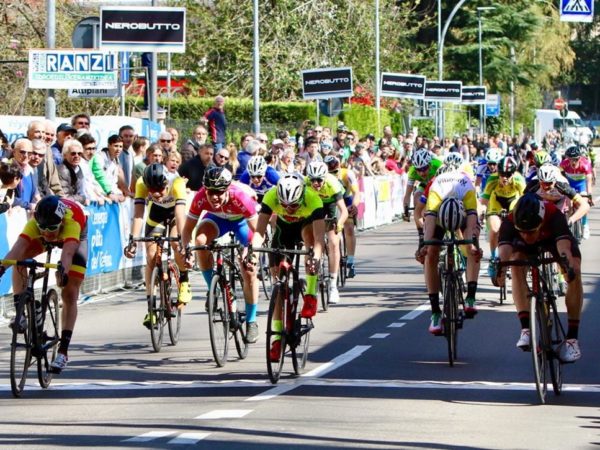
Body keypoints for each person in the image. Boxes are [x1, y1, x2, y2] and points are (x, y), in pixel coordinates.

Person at [0, 195, 88, 372]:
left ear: (60, 222)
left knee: (70, 293)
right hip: (48, 233)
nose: (47, 232)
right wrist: (2, 267)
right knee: (20, 260)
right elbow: (17, 248)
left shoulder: (71, 222)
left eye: (52, 228)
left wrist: (63, 272)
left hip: (74, 239)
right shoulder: (35, 223)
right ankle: (21, 312)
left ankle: (63, 352)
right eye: (43, 228)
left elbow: (68, 254)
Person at [494, 193, 583, 362]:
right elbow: (504, 252)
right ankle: (526, 329)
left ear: (541, 222)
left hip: (552, 239)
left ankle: (572, 340)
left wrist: (568, 265)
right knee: (515, 263)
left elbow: (564, 247)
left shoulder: (554, 215)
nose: (527, 236)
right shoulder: (510, 221)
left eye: (531, 232)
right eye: (523, 232)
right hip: (523, 247)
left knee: (575, 270)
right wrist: (500, 270)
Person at [248, 173, 325, 361]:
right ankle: (276, 338)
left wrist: (315, 258)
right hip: (284, 231)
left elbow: (319, 240)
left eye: (294, 205)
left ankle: (310, 295)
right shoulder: (271, 196)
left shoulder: (313, 199)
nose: (289, 209)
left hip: (305, 226)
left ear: (301, 196)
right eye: (284, 205)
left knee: (310, 244)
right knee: (278, 287)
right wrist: (253, 254)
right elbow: (259, 232)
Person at [181, 166, 261, 343]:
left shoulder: (240, 196)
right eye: (211, 192)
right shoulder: (201, 197)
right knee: (200, 242)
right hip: (216, 219)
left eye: (219, 192)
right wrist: (186, 250)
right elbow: (187, 230)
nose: (214, 197)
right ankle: (214, 289)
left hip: (241, 222)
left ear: (227, 189)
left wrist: (250, 251)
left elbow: (258, 232)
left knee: (249, 270)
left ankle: (251, 320)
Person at [124, 164, 191, 328]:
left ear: (166, 183)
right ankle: (151, 309)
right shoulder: (141, 183)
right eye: (152, 190)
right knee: (151, 256)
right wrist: (133, 240)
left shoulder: (177, 183)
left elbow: (180, 215)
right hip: (156, 215)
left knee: (176, 243)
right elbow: (139, 214)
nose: (156, 194)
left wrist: (184, 243)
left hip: (175, 214)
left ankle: (184, 280)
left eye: (160, 189)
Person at [417, 166, 481, 334]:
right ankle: (435, 312)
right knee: (431, 253)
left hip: (463, 213)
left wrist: (470, 245)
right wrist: (425, 245)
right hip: (438, 215)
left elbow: (471, 222)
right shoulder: (435, 191)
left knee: (473, 248)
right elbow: (429, 221)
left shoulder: (467, 189)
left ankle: (471, 297)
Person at [305, 161, 348, 304]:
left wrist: (339, 224)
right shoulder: (305, 183)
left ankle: (333, 286)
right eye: (313, 180)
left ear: (324, 177)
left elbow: (344, 211)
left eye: (319, 180)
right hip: (314, 203)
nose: (315, 183)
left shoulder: (332, 184)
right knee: (311, 240)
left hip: (330, 203)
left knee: (333, 242)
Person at [482, 156, 525, 277]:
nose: (504, 177)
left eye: (508, 175)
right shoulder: (492, 179)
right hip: (496, 203)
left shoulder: (519, 179)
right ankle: (493, 258)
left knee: (517, 228)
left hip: (513, 202)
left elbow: (525, 199)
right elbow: (484, 201)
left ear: (513, 173)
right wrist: (481, 212)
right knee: (495, 229)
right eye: (502, 174)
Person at [325, 155, 360, 277]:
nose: (333, 174)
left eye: (335, 172)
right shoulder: (323, 176)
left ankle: (351, 260)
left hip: (345, 199)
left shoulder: (347, 173)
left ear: (339, 166)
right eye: (330, 172)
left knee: (349, 229)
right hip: (330, 201)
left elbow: (356, 193)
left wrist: (354, 205)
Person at [402, 149, 443, 250]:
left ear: (430, 164)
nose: (421, 172)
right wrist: (406, 209)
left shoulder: (438, 164)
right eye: (419, 170)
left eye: (424, 169)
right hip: (425, 185)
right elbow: (407, 194)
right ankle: (421, 234)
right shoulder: (412, 171)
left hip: (439, 185)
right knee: (416, 197)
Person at [559, 145, 594, 240]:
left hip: (581, 185)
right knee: (569, 206)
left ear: (579, 158)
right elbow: (559, 176)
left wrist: (589, 194)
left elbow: (589, 180)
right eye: (570, 159)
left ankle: (584, 225)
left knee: (583, 204)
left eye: (576, 159)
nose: (573, 162)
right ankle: (568, 226)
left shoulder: (585, 164)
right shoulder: (564, 164)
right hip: (569, 185)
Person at [57, 140, 88, 205]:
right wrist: (83, 198)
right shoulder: (62, 171)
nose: (77, 156)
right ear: (65, 155)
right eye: (73, 153)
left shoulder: (78, 168)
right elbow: (64, 198)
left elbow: (81, 191)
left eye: (79, 154)